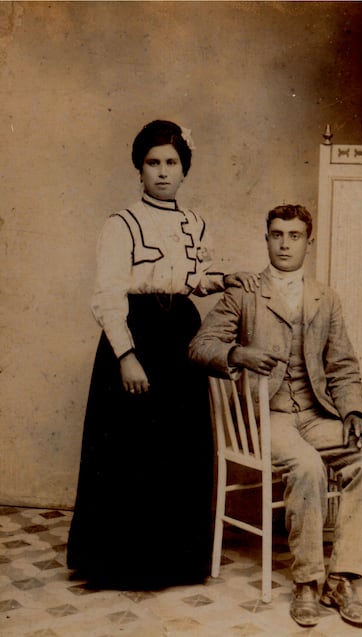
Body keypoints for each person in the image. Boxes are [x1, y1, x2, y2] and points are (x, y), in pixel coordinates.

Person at [67, 119, 258, 590]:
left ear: (184, 168)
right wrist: (126, 356)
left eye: (171, 162)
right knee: (131, 448)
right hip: (136, 333)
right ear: (139, 168)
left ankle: (176, 561)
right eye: (153, 163)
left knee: (179, 446)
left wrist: (223, 278)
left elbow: (192, 278)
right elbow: (108, 294)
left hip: (181, 336)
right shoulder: (121, 224)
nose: (162, 172)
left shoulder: (194, 222)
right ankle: (120, 563)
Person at [189, 204, 362, 628]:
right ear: (266, 239)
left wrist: (353, 411)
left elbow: (343, 366)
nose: (284, 243)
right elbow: (199, 346)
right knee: (307, 465)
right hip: (268, 416)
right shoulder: (243, 292)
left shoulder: (325, 298)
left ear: (307, 243)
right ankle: (307, 582)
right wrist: (236, 353)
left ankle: (342, 578)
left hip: (315, 414)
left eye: (294, 236)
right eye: (277, 234)